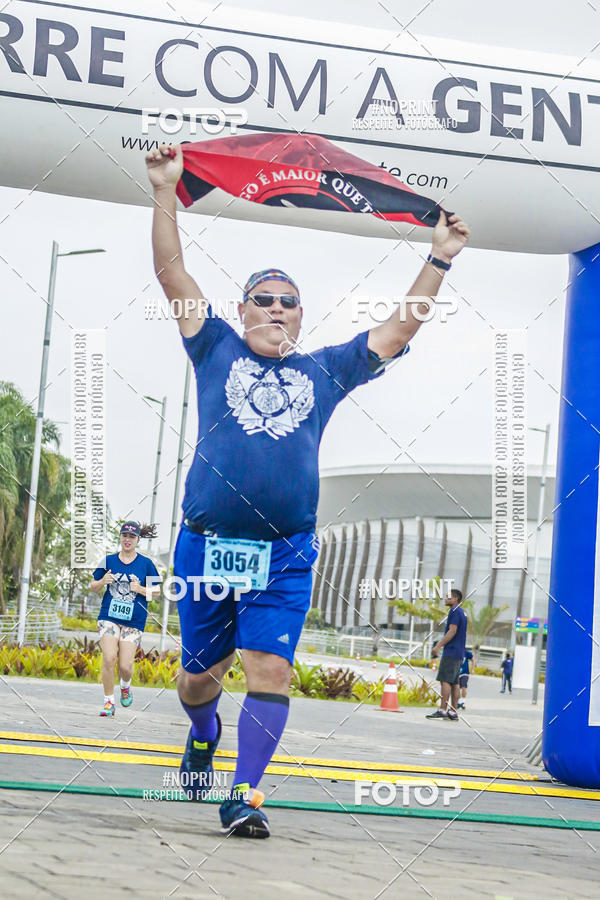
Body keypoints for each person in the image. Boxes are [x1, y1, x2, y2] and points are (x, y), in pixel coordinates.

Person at [146, 143, 470, 837]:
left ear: (300, 316)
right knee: (197, 682)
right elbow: (173, 275)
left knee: (270, 667)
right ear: (244, 308)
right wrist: (165, 193)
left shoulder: (326, 370)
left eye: (287, 303)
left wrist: (439, 256)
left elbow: (397, 327)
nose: (274, 309)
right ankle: (203, 735)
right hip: (206, 547)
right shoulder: (215, 347)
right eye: (262, 300)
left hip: (285, 553)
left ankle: (245, 794)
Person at [91, 521, 160, 716]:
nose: (127, 540)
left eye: (131, 537)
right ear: (120, 537)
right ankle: (108, 702)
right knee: (109, 657)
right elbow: (93, 585)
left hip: (133, 620)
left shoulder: (146, 564)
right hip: (109, 617)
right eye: (124, 536)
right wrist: (102, 581)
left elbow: (156, 592)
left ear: (138, 539)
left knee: (125, 666)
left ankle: (125, 685)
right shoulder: (108, 561)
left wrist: (139, 589)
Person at [426, 589, 468, 721]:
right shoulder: (463, 613)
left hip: (451, 651)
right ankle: (453, 712)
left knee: (445, 680)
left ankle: (442, 710)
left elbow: (452, 630)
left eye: (448, 597)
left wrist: (438, 645)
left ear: (455, 599)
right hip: (459, 652)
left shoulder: (454, 612)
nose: (445, 599)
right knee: (455, 683)